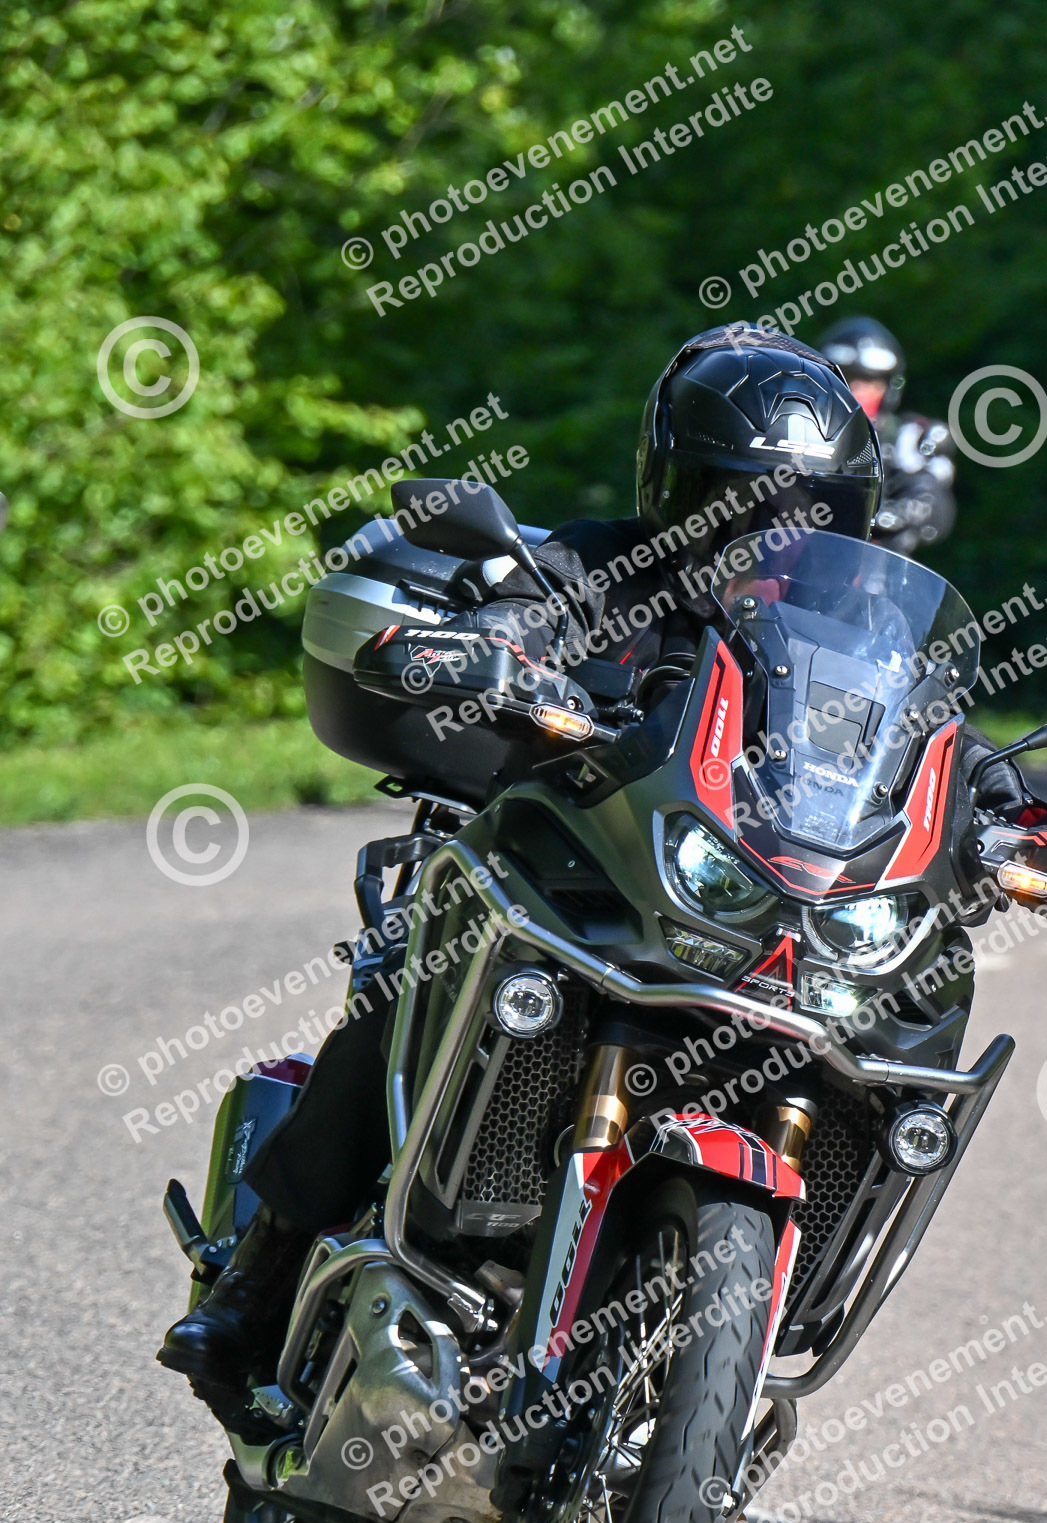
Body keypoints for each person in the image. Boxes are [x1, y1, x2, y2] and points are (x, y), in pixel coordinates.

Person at [156, 323, 883, 1399]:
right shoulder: (604, 567)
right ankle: (255, 1282)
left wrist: (1011, 813)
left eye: (811, 514)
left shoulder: (848, 633)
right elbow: (524, 614)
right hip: (576, 868)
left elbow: (921, 736)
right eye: (743, 505)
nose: (776, 538)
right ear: (678, 492)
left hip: (730, 909)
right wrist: (490, 652)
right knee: (419, 977)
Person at [818, 316, 956, 556]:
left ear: (889, 388)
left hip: (877, 570)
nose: (858, 391)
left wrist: (905, 511)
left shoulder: (908, 438)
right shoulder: (798, 430)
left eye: (870, 382)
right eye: (848, 379)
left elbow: (935, 508)